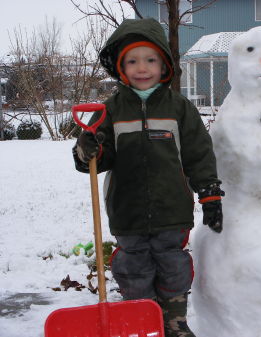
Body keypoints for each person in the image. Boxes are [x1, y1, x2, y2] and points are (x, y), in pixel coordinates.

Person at [72, 18, 224, 337]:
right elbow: (98, 159)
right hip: (127, 210)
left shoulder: (179, 108)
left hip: (172, 209)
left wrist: (209, 193)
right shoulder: (109, 110)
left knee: (173, 264)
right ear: (120, 67)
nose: (142, 68)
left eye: (150, 59)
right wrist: (87, 149)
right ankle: (141, 318)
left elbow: (198, 154)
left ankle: (174, 320)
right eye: (132, 60)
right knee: (132, 266)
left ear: (164, 65)